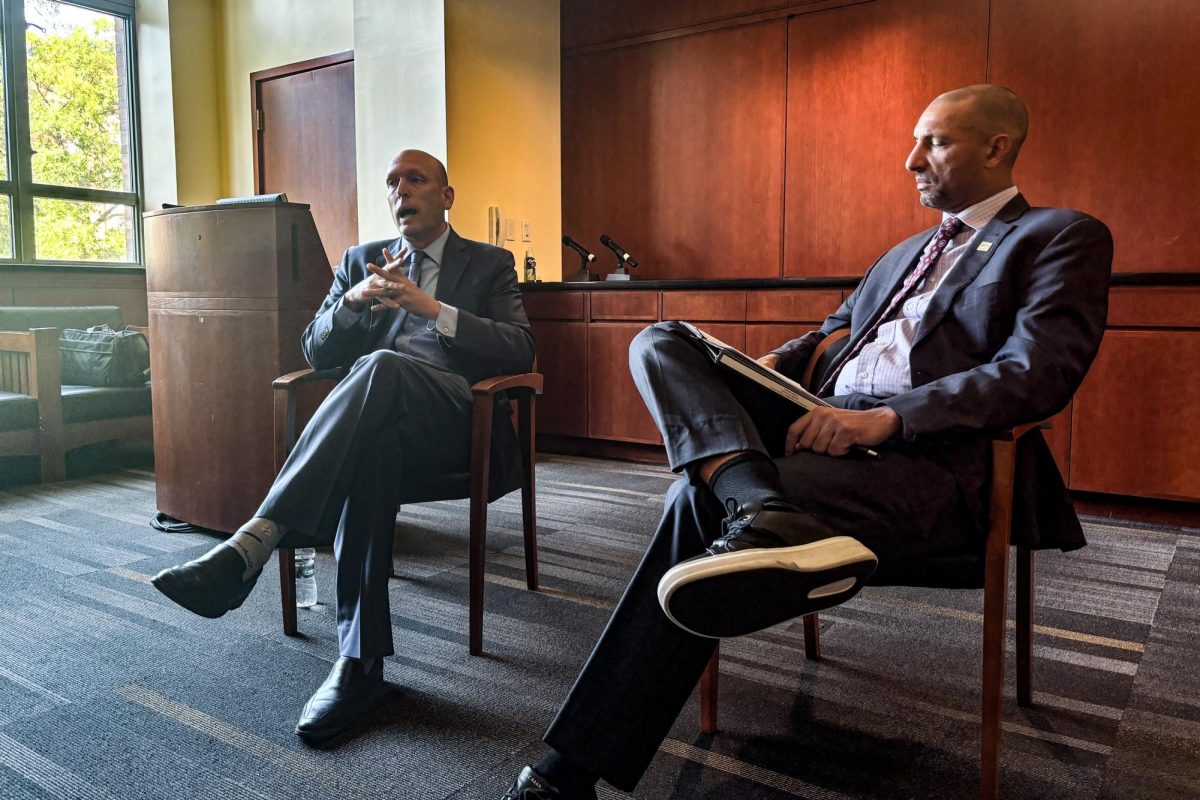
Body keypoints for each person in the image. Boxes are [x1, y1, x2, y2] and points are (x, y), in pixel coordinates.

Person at [501, 85, 1111, 799]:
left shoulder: (1059, 236)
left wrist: (892, 418)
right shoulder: (904, 252)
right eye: (916, 142)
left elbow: (1037, 373)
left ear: (998, 147)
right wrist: (758, 371)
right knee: (661, 339)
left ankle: (573, 768)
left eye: (934, 144)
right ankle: (761, 508)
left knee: (693, 503)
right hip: (821, 422)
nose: (911, 159)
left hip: (926, 459)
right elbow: (831, 332)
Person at [152, 149, 535, 745]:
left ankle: (258, 539)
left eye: (416, 179)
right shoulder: (362, 262)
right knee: (371, 450)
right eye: (392, 183)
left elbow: (519, 352)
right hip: (379, 427)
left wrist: (432, 309)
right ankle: (361, 664)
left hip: (459, 422)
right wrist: (354, 302)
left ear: (446, 196)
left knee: (383, 366)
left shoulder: (489, 264)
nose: (401, 190)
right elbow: (314, 350)